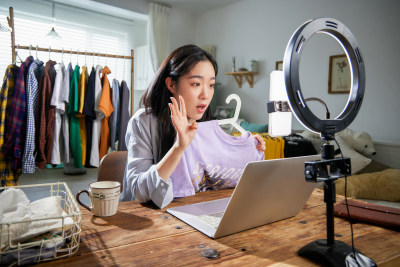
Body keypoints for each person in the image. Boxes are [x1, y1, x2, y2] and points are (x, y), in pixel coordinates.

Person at [120, 44, 265, 208]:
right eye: (196, 84)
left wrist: (247, 147)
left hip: (189, 215)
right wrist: (179, 148)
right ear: (171, 85)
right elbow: (139, 191)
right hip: (143, 217)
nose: (205, 95)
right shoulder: (144, 121)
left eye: (211, 85)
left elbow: (215, 172)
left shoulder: (204, 122)